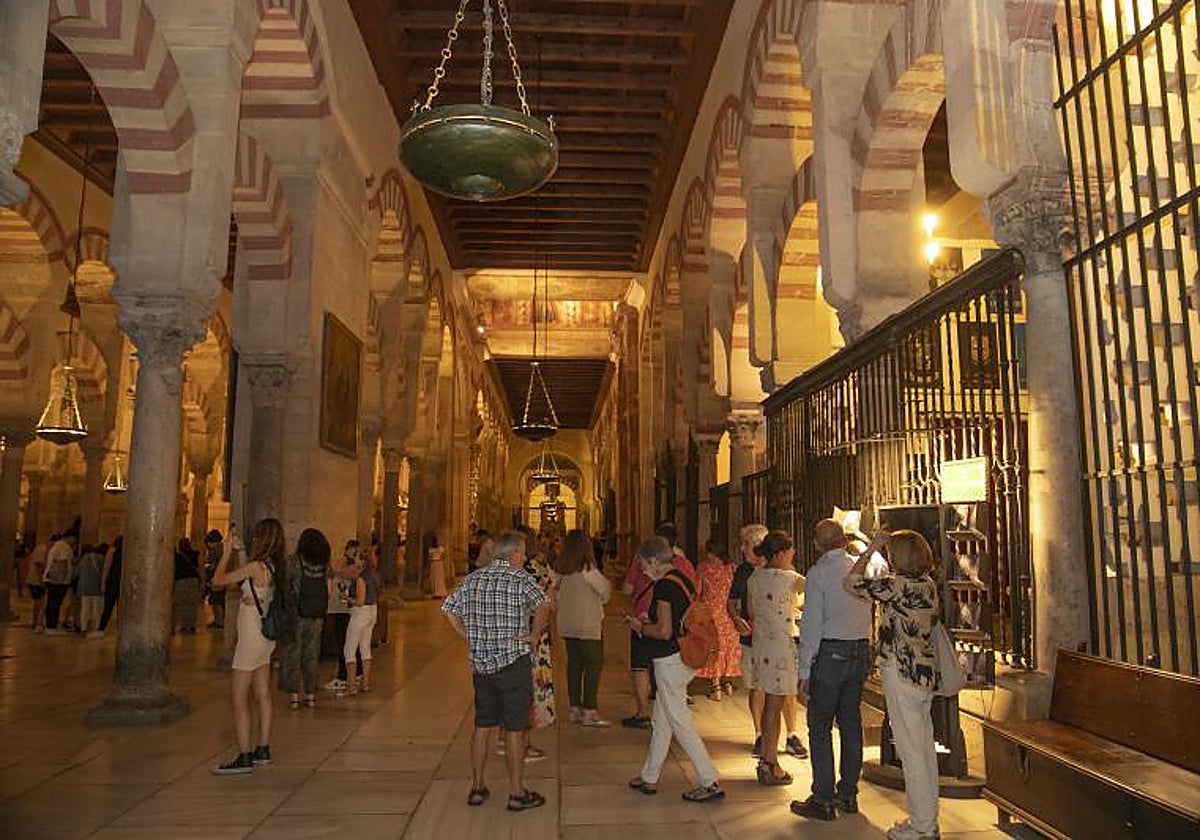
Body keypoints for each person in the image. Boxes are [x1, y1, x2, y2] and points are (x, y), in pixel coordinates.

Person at [441, 530, 550, 812]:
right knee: (515, 728)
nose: (524, 556)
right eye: (522, 552)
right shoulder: (519, 577)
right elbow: (543, 604)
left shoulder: (474, 579)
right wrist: (535, 634)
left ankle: (477, 787)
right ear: (512, 553)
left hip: (482, 666)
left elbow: (448, 608)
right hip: (512, 663)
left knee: (482, 725)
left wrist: (467, 635)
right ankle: (516, 793)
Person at [846, 529, 942, 840]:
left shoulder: (896, 586)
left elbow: (851, 582)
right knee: (924, 750)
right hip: (924, 674)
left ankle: (923, 827)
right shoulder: (927, 586)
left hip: (901, 673)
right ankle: (926, 818)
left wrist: (870, 547)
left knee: (912, 753)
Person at [625, 536, 724, 803]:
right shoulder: (682, 578)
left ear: (654, 560)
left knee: (680, 722)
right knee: (662, 721)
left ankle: (709, 779)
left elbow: (664, 630)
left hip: (669, 660)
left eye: (644, 565)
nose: (643, 571)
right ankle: (649, 776)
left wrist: (640, 626)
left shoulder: (663, 587)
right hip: (682, 657)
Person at [791, 518, 877, 821]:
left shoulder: (818, 574)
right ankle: (848, 794)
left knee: (820, 725)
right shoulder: (861, 567)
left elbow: (812, 623)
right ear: (843, 540)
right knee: (851, 723)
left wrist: (804, 670)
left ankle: (823, 798)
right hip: (859, 650)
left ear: (816, 544)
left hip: (830, 654)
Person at [211, 518, 285, 774]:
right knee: (262, 693)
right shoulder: (273, 566)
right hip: (265, 637)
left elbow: (218, 580)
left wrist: (225, 553)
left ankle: (244, 756)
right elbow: (245, 585)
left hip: (251, 636)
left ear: (261, 538)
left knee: (239, 698)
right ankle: (262, 748)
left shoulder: (256, 566)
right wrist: (241, 551)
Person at [748, 531, 804, 785]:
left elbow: (751, 612)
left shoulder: (754, 577)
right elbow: (819, 588)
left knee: (769, 702)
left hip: (761, 646)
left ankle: (767, 759)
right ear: (781, 554)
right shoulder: (790, 579)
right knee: (775, 705)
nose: (793, 556)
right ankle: (770, 763)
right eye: (791, 552)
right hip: (781, 648)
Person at [553, 528, 611, 727]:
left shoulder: (560, 569)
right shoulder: (588, 570)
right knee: (593, 666)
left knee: (574, 666)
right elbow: (605, 592)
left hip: (567, 624)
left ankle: (574, 708)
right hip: (588, 625)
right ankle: (590, 710)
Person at [282, 528, 331, 709]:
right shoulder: (324, 564)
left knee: (294, 653)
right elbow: (329, 589)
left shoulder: (294, 562)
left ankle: (295, 696)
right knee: (312, 655)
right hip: (316, 615)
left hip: (296, 615)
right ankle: (310, 695)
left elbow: (284, 586)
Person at [695, 540, 741, 700]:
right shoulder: (732, 568)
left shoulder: (703, 567)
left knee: (714, 649)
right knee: (727, 647)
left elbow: (697, 591)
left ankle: (716, 686)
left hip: (709, 614)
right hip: (726, 614)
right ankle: (726, 681)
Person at [323, 539, 361, 692]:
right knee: (343, 643)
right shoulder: (340, 561)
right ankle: (352, 674)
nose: (351, 553)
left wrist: (337, 570)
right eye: (351, 550)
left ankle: (344, 676)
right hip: (336, 608)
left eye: (355, 551)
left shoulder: (356, 567)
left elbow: (347, 572)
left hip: (345, 610)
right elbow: (333, 569)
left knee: (346, 645)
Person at [344, 542, 380, 694]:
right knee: (365, 648)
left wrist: (348, 600)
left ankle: (351, 686)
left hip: (360, 614)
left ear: (362, 561)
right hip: (373, 612)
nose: (355, 559)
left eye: (357, 557)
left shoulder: (361, 578)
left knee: (349, 650)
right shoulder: (374, 575)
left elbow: (359, 600)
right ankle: (365, 684)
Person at [42, 532, 74, 633]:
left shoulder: (58, 546)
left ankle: (51, 624)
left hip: (53, 579)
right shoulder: (63, 546)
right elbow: (62, 562)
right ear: (71, 537)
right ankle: (51, 625)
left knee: (53, 602)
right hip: (58, 580)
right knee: (54, 603)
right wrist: (63, 579)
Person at [76, 543, 106, 636]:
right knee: (97, 610)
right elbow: (104, 572)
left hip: (85, 587)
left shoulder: (82, 559)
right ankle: (96, 628)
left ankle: (83, 628)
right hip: (97, 587)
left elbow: (77, 572)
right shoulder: (101, 558)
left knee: (85, 609)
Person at [173, 538, 202, 634]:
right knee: (192, 604)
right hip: (193, 581)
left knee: (182, 603)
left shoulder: (177, 556)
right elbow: (200, 568)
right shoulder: (195, 554)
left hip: (181, 581)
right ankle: (191, 625)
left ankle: (185, 625)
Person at [202, 530, 226, 629]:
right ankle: (219, 620)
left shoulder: (216, 551)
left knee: (216, 600)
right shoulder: (223, 549)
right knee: (218, 600)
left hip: (217, 579)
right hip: (221, 578)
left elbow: (211, 566)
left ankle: (219, 621)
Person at [25, 535, 49, 633]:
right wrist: (41, 581)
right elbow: (39, 565)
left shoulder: (41, 549)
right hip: (36, 581)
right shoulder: (42, 549)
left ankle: (36, 622)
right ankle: (37, 623)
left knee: (38, 602)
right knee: (40, 603)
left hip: (34, 580)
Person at [98, 536, 122, 631]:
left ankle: (101, 627)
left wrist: (103, 584)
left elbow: (106, 569)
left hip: (112, 582)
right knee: (120, 609)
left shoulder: (112, 552)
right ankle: (119, 628)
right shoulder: (126, 552)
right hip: (121, 583)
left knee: (108, 607)